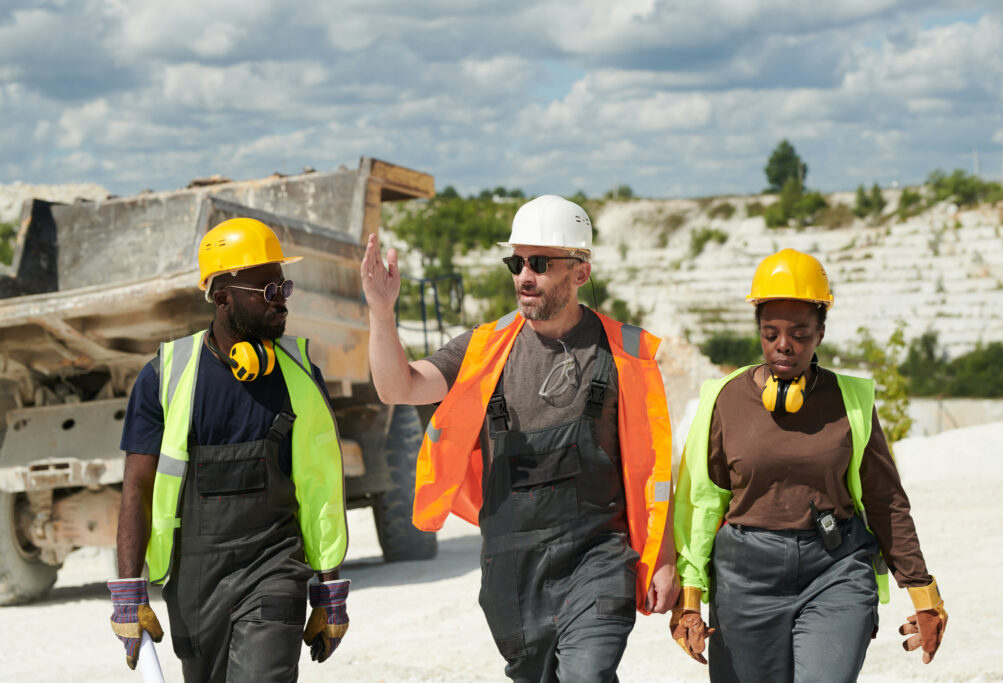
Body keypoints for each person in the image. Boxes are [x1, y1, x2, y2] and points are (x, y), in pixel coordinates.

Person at [361, 194, 679, 681]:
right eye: (517, 262)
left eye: (540, 263)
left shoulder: (625, 353)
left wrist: (664, 557)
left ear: (581, 272)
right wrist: (382, 312)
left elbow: (653, 466)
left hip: (597, 556)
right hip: (512, 568)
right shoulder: (483, 350)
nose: (524, 276)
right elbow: (397, 387)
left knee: (587, 674)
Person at [670, 248, 949, 682]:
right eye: (771, 333)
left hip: (835, 569)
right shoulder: (724, 399)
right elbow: (700, 504)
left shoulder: (851, 401)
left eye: (799, 333)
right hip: (746, 578)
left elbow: (885, 501)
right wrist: (688, 599)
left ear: (821, 332)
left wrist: (923, 592)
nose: (784, 345)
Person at [109, 217, 350, 682]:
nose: (281, 301)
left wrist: (329, 587)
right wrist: (128, 590)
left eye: (284, 287)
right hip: (195, 582)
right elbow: (137, 487)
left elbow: (319, 488)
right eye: (267, 291)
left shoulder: (300, 374)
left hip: (275, 567)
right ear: (222, 298)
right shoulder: (165, 376)